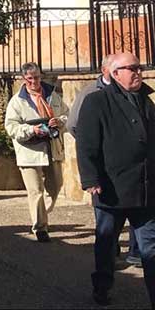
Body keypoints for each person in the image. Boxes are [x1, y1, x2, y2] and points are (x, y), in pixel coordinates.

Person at [77, 53, 155, 307]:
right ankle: (102, 286)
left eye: (139, 67)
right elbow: (86, 144)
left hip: (144, 189)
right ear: (115, 73)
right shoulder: (97, 101)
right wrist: (90, 178)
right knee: (107, 242)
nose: (138, 72)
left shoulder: (146, 100)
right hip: (111, 189)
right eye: (132, 68)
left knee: (150, 247)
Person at [4, 62, 68, 242]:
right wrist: (31, 130)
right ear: (24, 79)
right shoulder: (17, 101)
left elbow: (67, 114)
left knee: (56, 186)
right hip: (29, 151)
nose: (34, 82)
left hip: (52, 148)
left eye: (37, 77)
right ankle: (40, 227)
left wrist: (59, 121)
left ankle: (40, 213)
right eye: (30, 78)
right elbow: (11, 127)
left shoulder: (52, 95)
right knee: (36, 191)